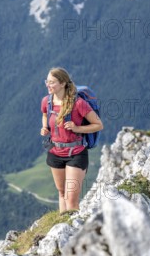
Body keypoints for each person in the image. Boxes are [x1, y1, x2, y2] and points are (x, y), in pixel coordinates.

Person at [40, 67, 103, 214]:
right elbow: (44, 114)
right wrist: (44, 127)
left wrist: (77, 128)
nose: (48, 85)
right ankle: (63, 225)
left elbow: (98, 125)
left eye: (52, 82)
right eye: (46, 82)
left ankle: (73, 232)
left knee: (71, 200)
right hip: (55, 152)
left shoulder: (78, 104)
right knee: (62, 193)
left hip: (76, 153)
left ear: (62, 84)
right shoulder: (46, 101)